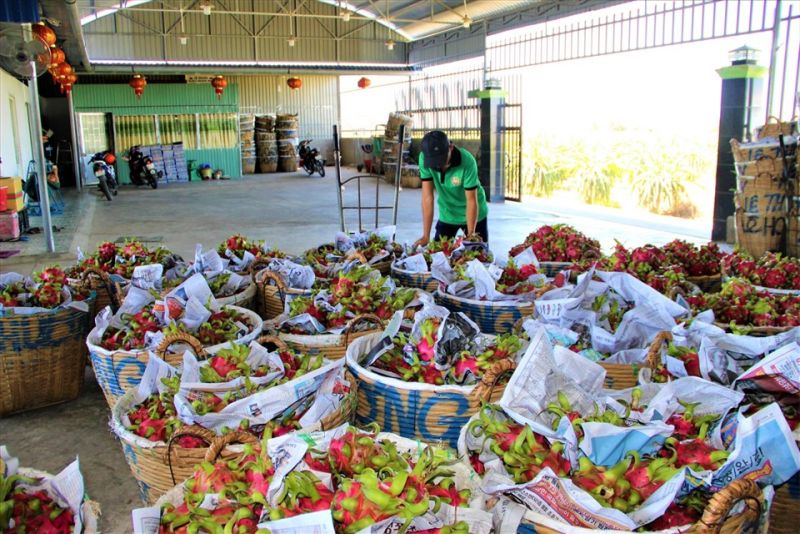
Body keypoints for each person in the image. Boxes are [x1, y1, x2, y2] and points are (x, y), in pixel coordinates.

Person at [414, 130, 489, 246]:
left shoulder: (467, 162)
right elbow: (427, 197)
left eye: (442, 160)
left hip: (474, 215)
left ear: (451, 148)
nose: (439, 166)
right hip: (447, 213)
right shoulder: (424, 158)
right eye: (435, 162)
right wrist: (425, 236)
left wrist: (471, 236)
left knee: (478, 256)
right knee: (437, 256)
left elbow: (471, 201)